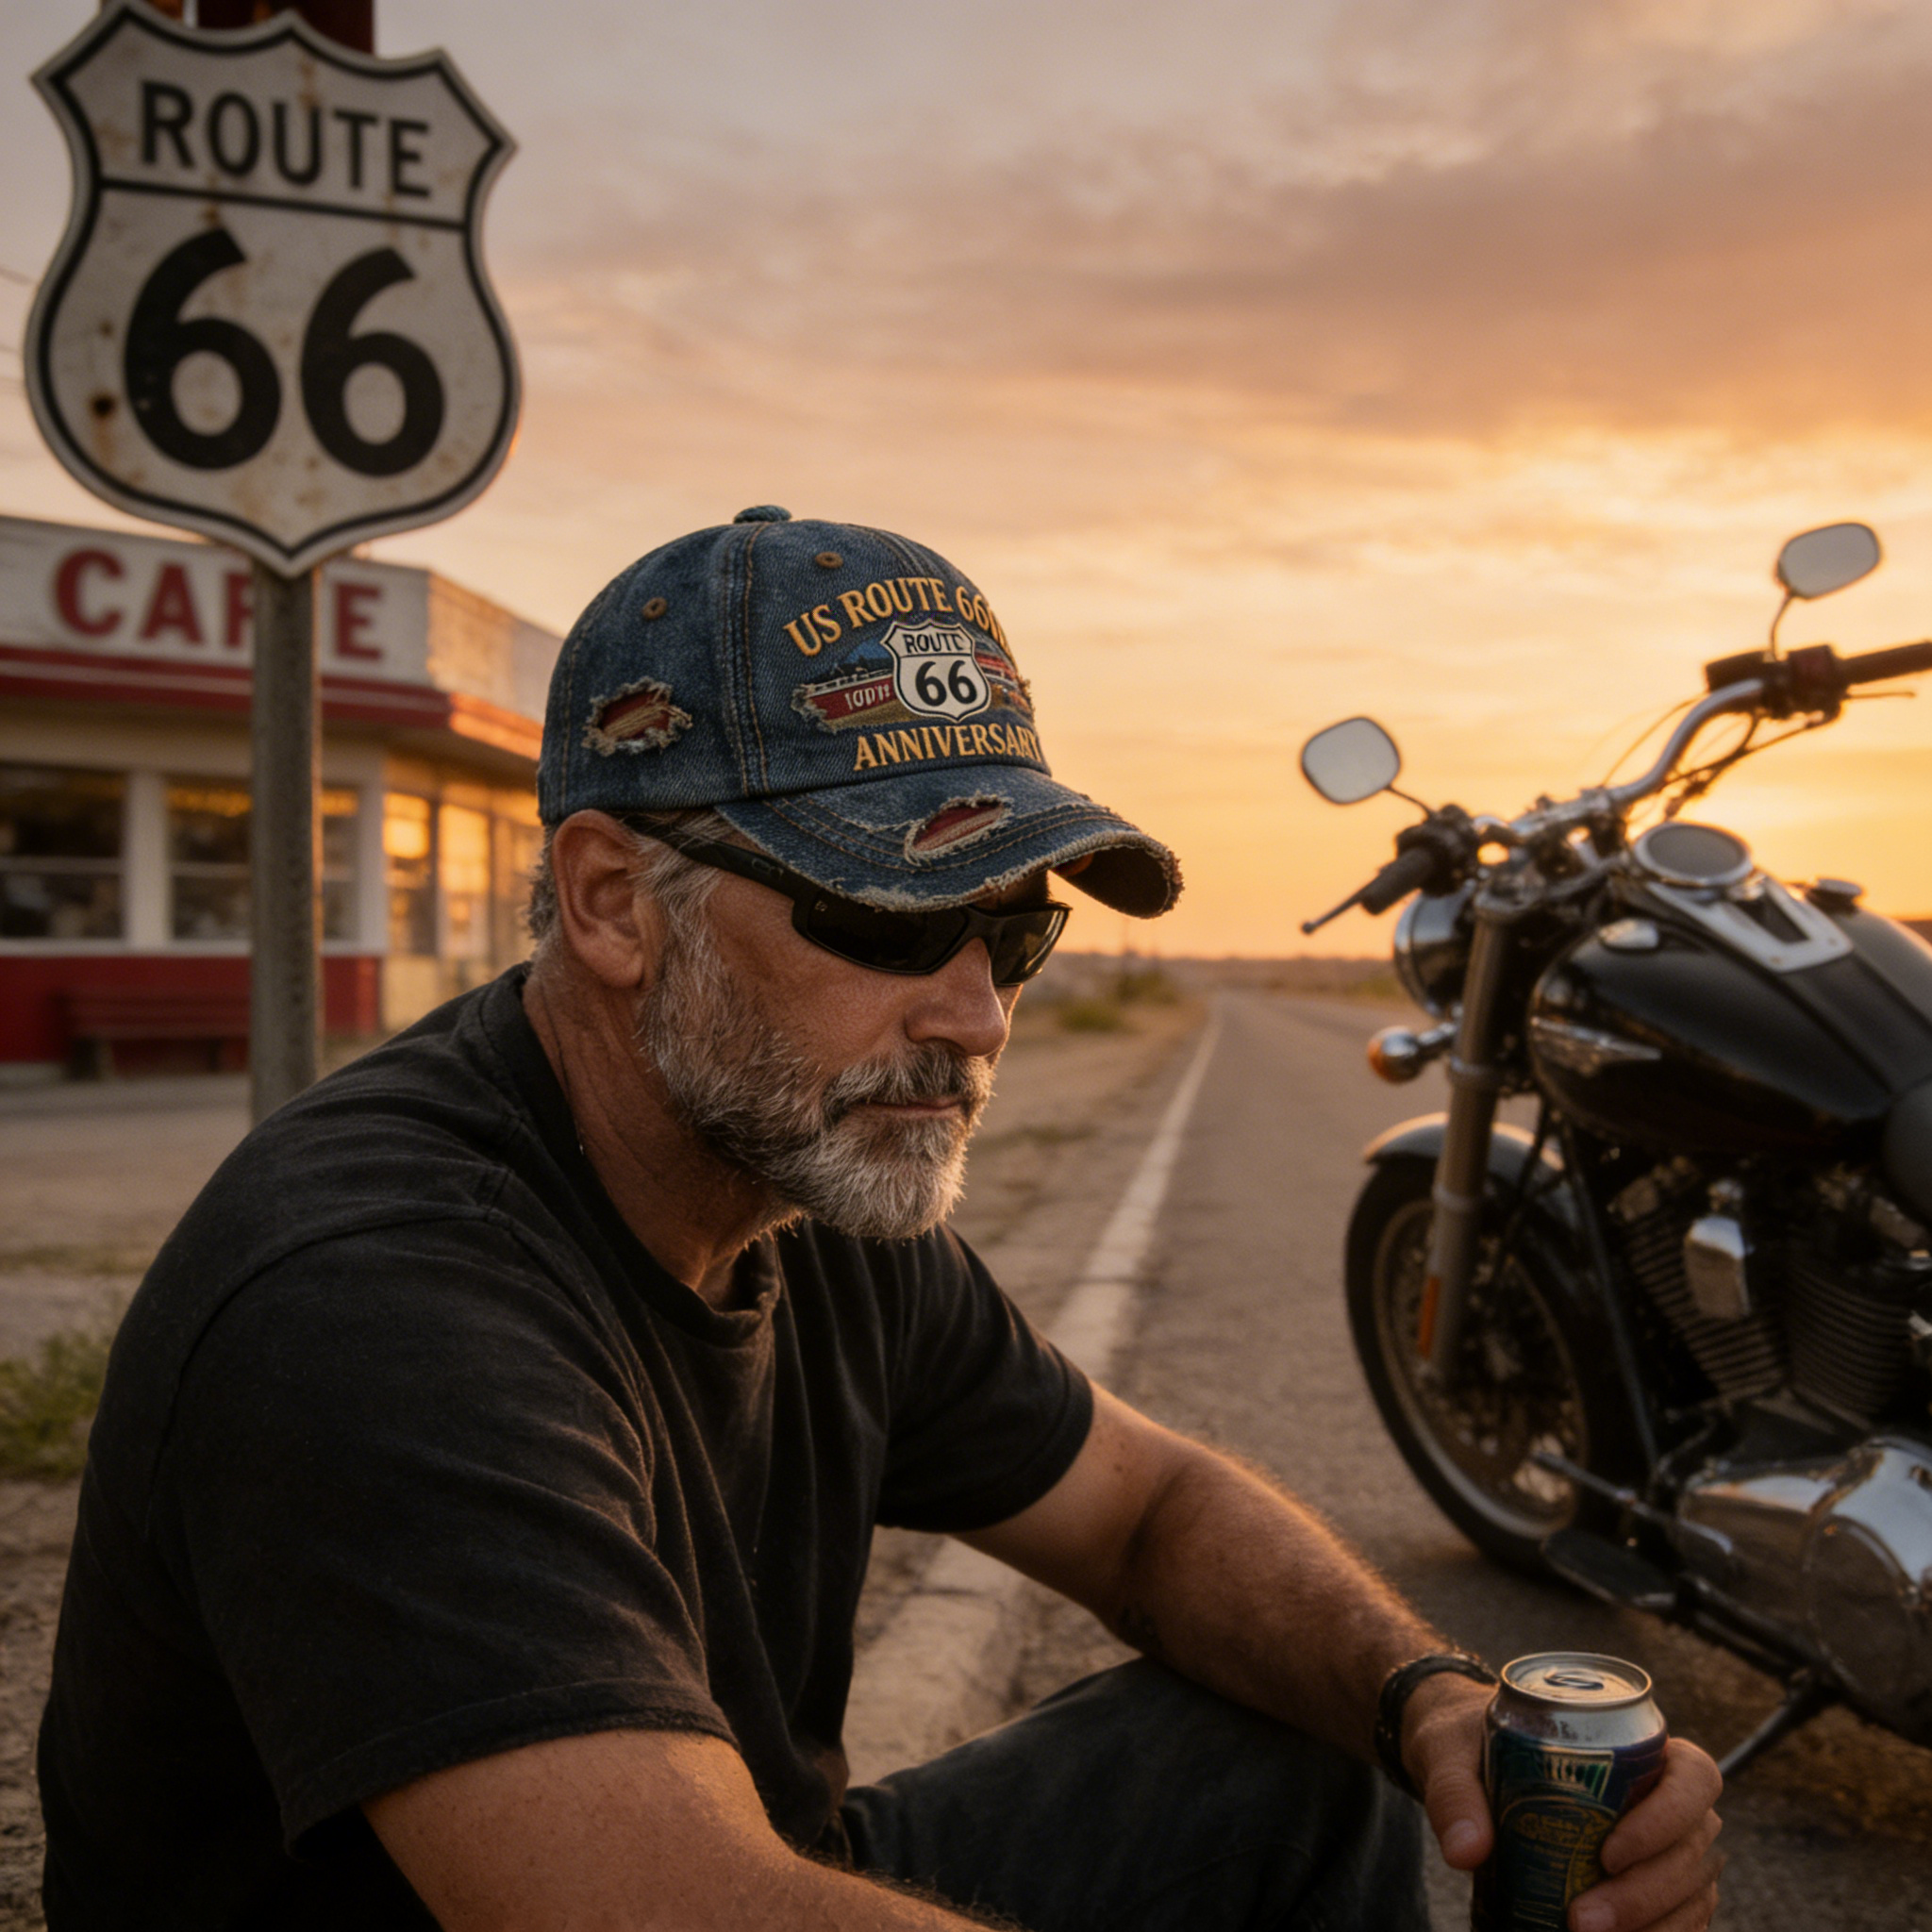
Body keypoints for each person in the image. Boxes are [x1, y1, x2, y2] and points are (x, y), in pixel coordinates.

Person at [38, 508, 1723, 1931]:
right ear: (615, 901)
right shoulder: (376, 1299)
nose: (978, 1015)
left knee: (1299, 1749)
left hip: (757, 1862)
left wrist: (1428, 1698)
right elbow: (678, 1913)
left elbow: (1142, 1512)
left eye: (1010, 924)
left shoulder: (806, 1170)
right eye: (891, 917)